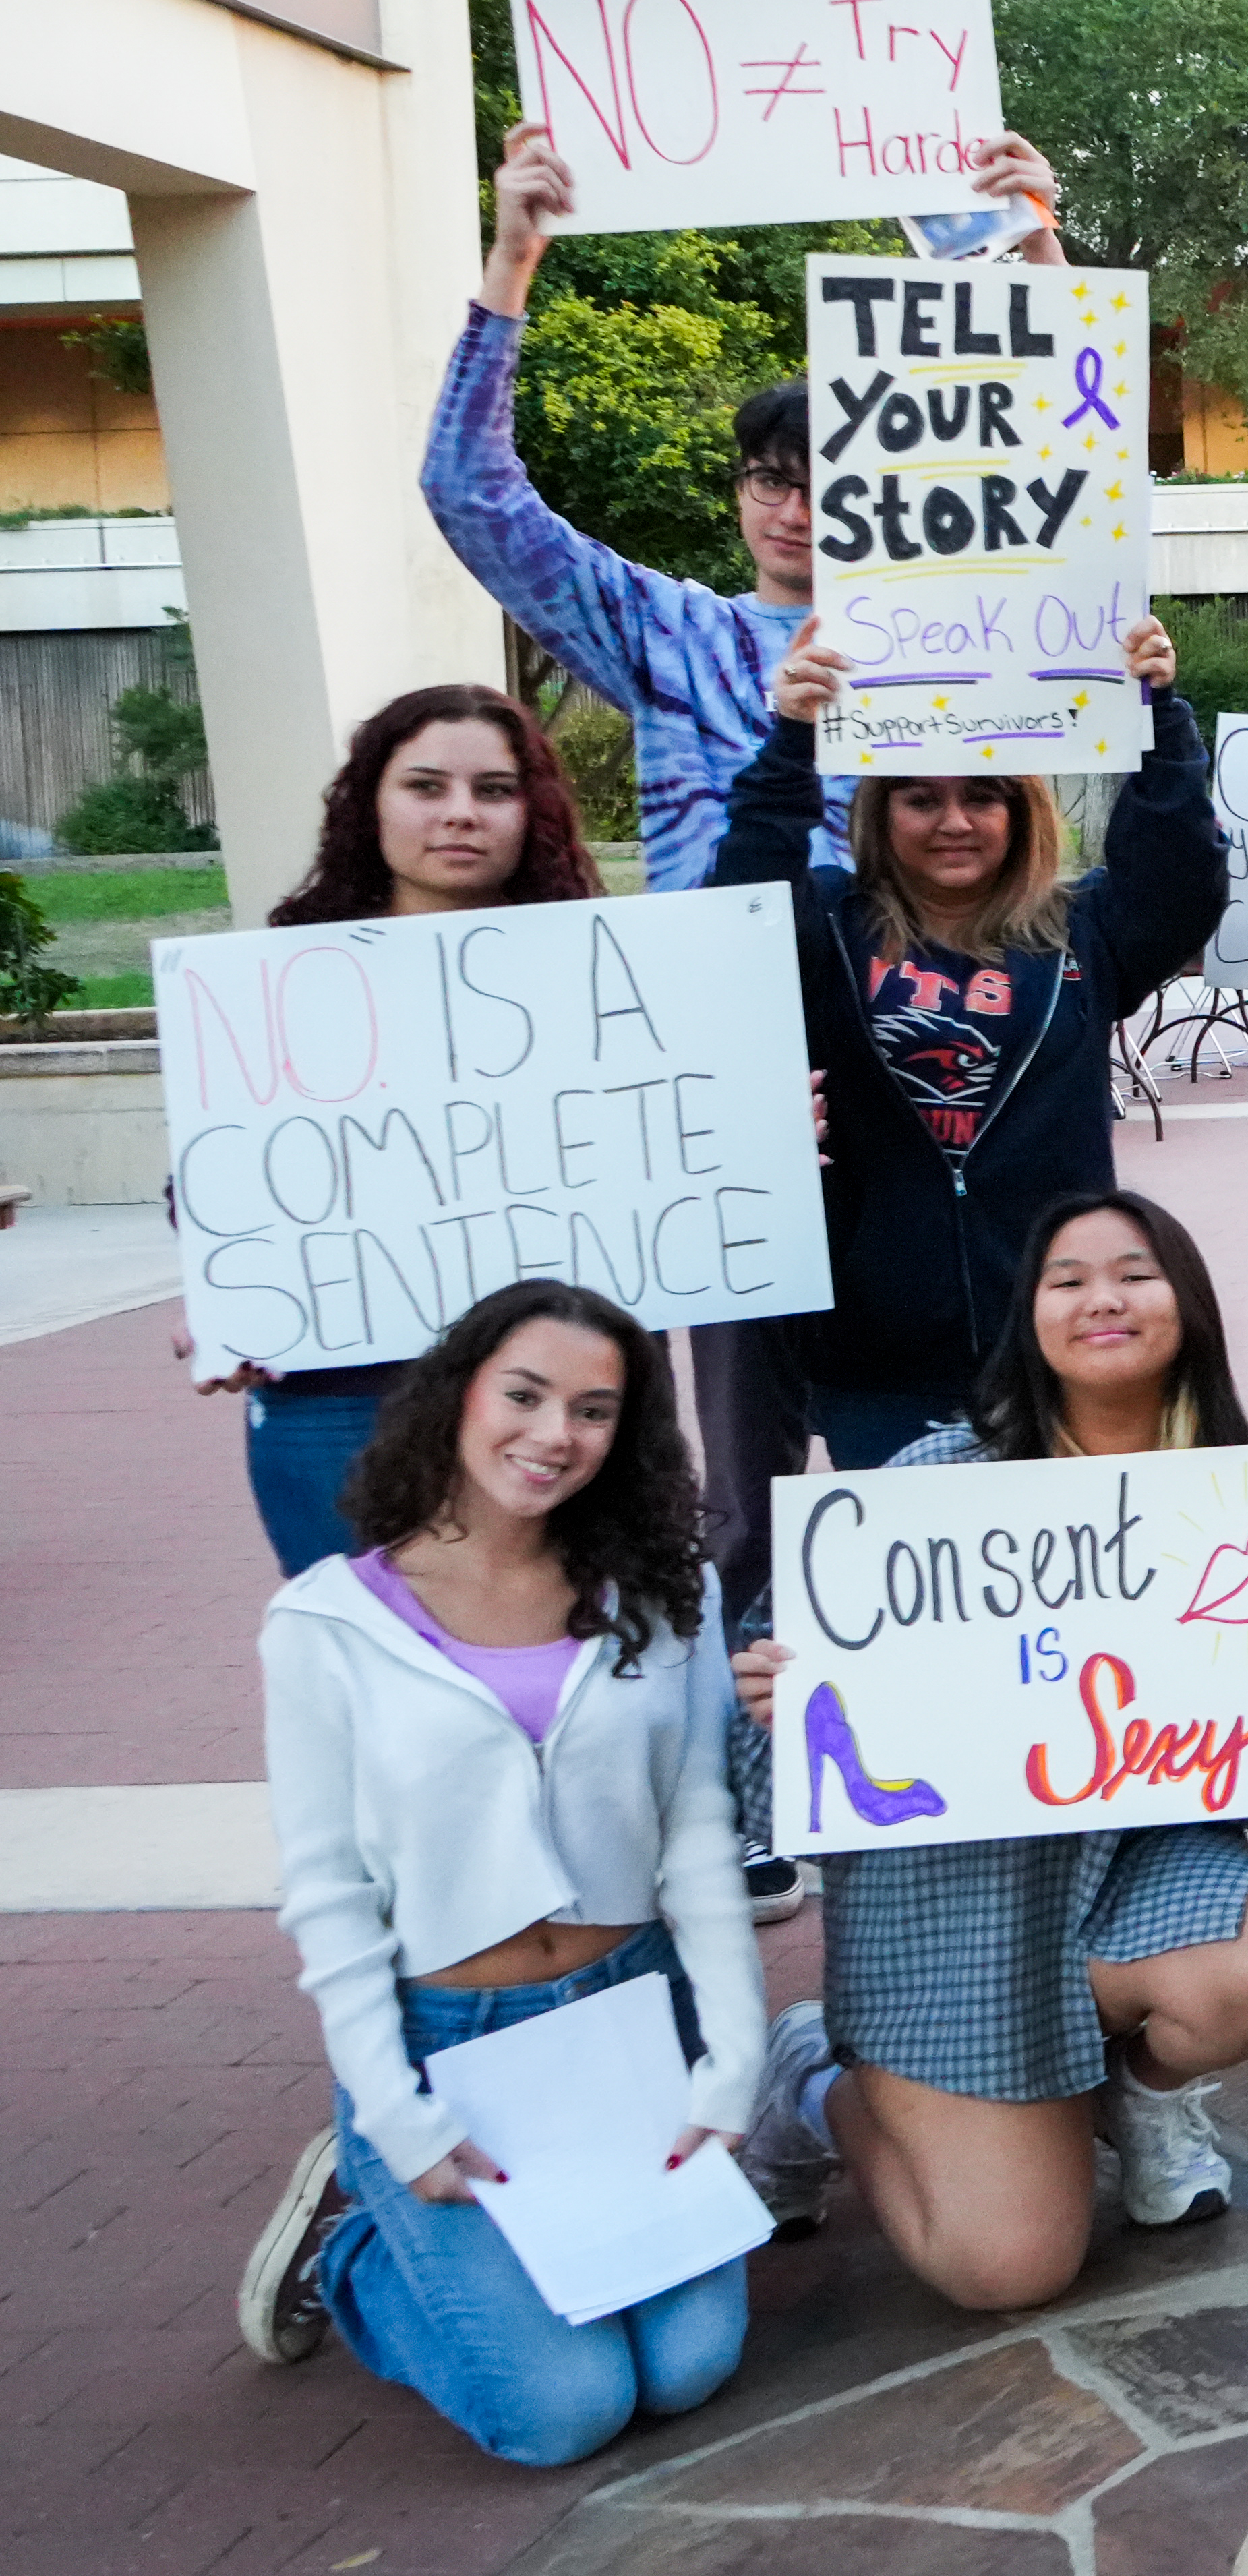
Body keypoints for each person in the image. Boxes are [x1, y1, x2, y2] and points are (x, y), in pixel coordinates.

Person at [429, 120, 1066, 1610]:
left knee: (971, 1442)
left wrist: (1030, 250)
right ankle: (767, 1761)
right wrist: (516, 255)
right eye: (767, 477)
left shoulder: (962, 626)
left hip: (937, 1064)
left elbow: (1072, 465)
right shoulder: (675, 635)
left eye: (823, 472)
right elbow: (474, 498)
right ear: (740, 498)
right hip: (733, 1066)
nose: (794, 503)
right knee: (751, 1473)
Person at [730, 1194, 1248, 2306]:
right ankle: (812, 2080)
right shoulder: (925, 1495)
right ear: (1033, 1315)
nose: (1102, 1297)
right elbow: (770, 1795)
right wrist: (779, 1710)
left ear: (1188, 1307)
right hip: (949, 1926)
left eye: (1134, 1271)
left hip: (1132, 1894)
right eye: (1066, 1277)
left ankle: (1140, 2090)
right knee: (1004, 2266)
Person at [235, 1280, 761, 2465]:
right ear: (459, 1393)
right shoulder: (324, 1624)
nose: (552, 1434)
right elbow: (328, 1896)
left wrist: (730, 2062)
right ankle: (358, 2245)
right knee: (559, 2409)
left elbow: (697, 1837)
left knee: (685, 2371)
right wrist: (399, 2116)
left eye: (592, 1409)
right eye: (523, 1395)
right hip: (447, 2044)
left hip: (630, 2015)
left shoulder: (667, 1593)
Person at [715, 612, 1224, 1471]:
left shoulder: (1082, 931)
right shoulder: (829, 926)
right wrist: (794, 741)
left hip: (1060, 1349)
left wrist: (1158, 717)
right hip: (877, 1361)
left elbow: (1182, 874)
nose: (955, 820)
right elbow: (739, 906)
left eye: (981, 794)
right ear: (884, 810)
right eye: (922, 796)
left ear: (1020, 809)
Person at [204, 689, 611, 1577]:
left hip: (553, 1404)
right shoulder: (280, 982)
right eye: (426, 786)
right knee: (368, 1675)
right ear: (370, 805)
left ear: (530, 809)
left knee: (559, 1677)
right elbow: (213, 1175)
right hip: (338, 1399)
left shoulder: (608, 982)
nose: (461, 814)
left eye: (495, 790)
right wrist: (222, 1286)